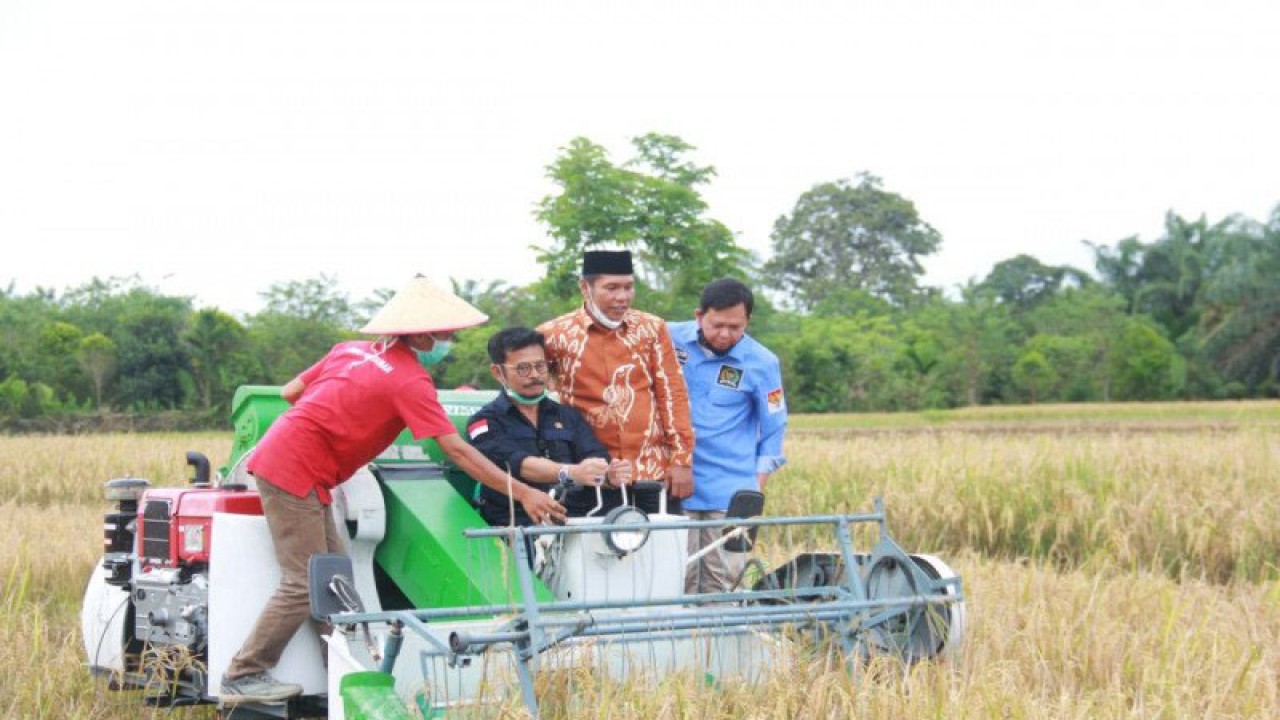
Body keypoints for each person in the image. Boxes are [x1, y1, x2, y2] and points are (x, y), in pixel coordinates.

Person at [218, 276, 565, 705]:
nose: (450, 339)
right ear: (420, 334)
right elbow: (456, 451)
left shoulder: (351, 350)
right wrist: (524, 493)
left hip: (294, 461)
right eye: (445, 332)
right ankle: (244, 673)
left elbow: (292, 393)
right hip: (292, 471)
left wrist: (338, 432)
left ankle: (349, 674)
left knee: (334, 579)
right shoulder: (409, 380)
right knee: (304, 583)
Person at [537, 249, 695, 513]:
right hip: (592, 474)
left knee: (662, 552)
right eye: (611, 288)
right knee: (594, 553)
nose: (622, 297)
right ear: (585, 287)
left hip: (651, 470)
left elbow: (672, 393)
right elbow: (531, 387)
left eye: (628, 287)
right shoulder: (554, 334)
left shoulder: (651, 328)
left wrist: (682, 461)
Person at [669, 278, 788, 594]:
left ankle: (716, 642)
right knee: (674, 576)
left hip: (731, 490)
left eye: (735, 327)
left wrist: (755, 488)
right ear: (698, 316)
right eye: (716, 325)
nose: (725, 334)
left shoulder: (763, 363)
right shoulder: (666, 339)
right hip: (674, 483)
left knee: (724, 581)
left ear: (747, 321)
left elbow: (775, 426)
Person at [467, 326, 634, 534]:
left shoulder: (568, 415)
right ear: (498, 372)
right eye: (523, 369)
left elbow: (594, 457)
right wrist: (571, 473)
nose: (535, 375)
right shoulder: (485, 422)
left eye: (540, 366)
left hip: (576, 524)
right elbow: (519, 464)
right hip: (516, 527)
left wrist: (608, 475)